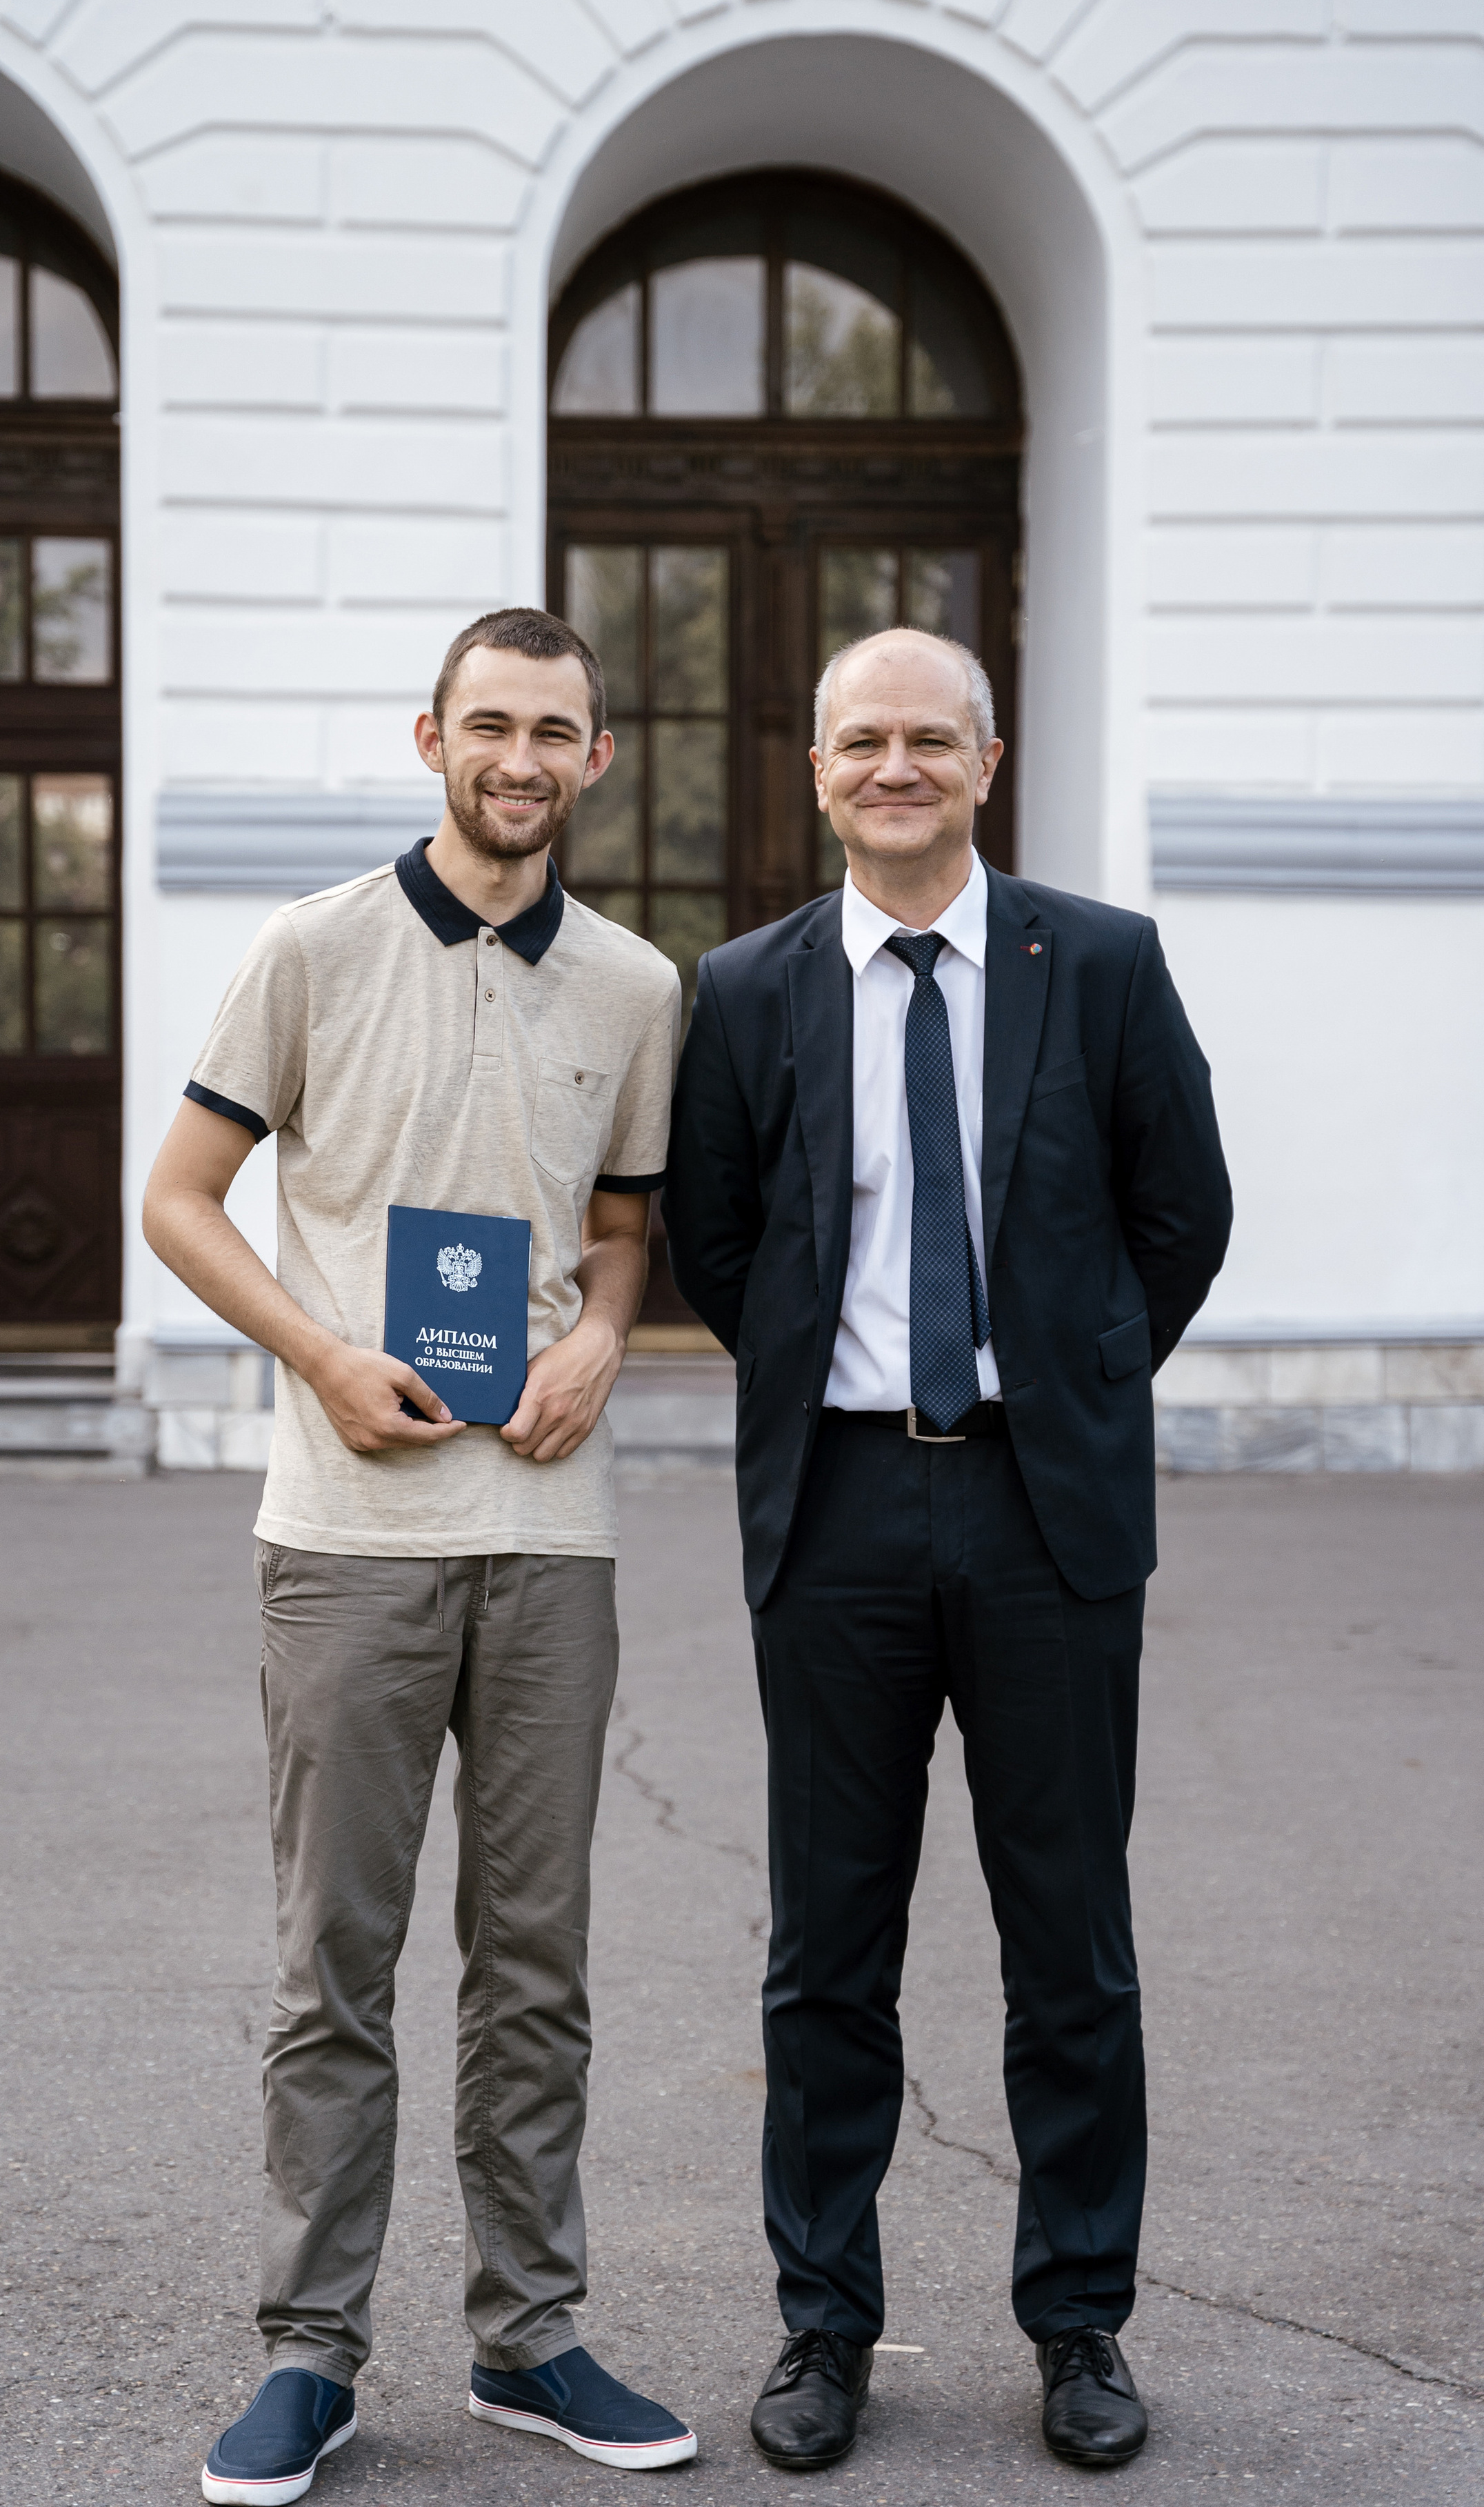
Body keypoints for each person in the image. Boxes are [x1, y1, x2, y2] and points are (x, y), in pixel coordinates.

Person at [662, 626, 1232, 2475]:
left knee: (1070, 1940)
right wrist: (832, 1389)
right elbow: (721, 1243)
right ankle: (825, 2323)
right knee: (828, 1946)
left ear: (988, 761)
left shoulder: (1108, 965)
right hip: (834, 1513)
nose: (892, 765)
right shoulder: (743, 991)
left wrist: (1066, 1385)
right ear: (817, 770)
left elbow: (1179, 1214)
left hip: (1045, 1510)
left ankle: (1079, 2324)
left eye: (928, 737)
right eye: (859, 740)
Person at [143, 608, 696, 2501]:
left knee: (537, 1965)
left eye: (556, 728)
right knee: (335, 1967)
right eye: (490, 724)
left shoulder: (637, 985)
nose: (520, 757)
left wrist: (606, 1334)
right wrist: (317, 1351)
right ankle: (311, 2356)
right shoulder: (311, 949)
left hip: (552, 1540)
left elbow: (624, 1229)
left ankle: (532, 2337)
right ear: (430, 737)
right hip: (347, 1537)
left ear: (598, 756)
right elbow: (181, 1199)